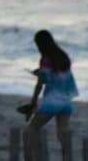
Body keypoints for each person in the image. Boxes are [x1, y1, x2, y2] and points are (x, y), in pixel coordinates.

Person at [21, 30, 79, 160]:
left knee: (32, 129)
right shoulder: (63, 57)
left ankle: (37, 157)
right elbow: (60, 77)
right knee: (62, 133)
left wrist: (33, 103)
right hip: (67, 101)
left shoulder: (45, 59)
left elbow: (40, 84)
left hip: (52, 101)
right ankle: (68, 157)